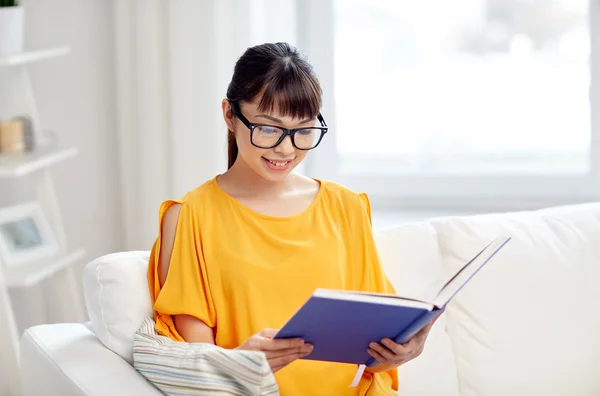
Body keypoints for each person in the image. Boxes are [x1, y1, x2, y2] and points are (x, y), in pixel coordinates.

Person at [148, 42, 439, 395]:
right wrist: (241, 360)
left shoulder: (345, 206)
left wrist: (401, 351)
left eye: (303, 130)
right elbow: (196, 364)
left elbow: (369, 350)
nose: (286, 149)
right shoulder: (190, 216)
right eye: (269, 129)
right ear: (229, 115)